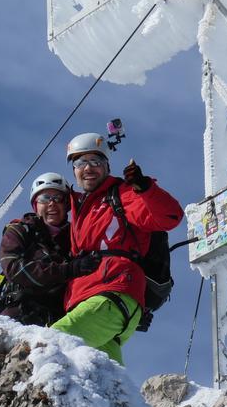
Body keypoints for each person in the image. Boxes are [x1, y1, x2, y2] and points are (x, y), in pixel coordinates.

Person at [50, 132, 183, 364]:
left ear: (107, 166)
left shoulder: (122, 195)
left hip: (112, 294)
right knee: (103, 384)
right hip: (90, 300)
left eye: (95, 161)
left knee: (50, 344)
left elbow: (170, 217)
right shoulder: (80, 210)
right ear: (73, 170)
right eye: (81, 162)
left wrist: (144, 188)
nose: (88, 168)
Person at [0, 172, 100, 326]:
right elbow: (13, 267)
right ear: (35, 205)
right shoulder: (20, 231)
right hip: (18, 316)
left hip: (60, 322)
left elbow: (99, 270)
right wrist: (68, 270)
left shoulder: (78, 239)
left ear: (67, 204)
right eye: (44, 198)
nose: (51, 203)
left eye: (58, 198)